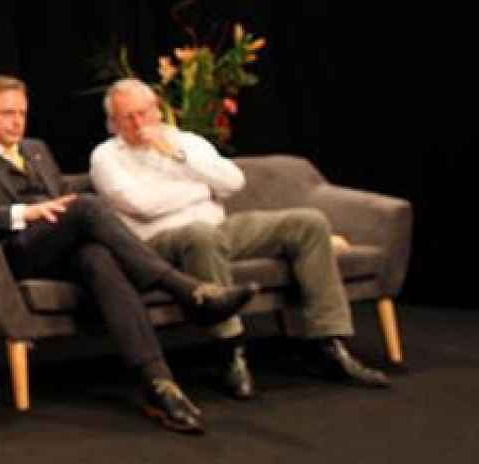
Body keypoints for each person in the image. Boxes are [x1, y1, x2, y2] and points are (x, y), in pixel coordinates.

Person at [0, 75, 256, 434]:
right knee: (87, 207)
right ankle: (187, 290)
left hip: (63, 244)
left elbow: (59, 196)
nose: (17, 122)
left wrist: (59, 215)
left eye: (22, 113)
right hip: (19, 250)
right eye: (6, 114)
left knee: (97, 258)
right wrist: (20, 214)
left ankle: (159, 384)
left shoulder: (36, 148)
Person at [90, 78, 391, 398]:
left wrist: (178, 156)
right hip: (158, 244)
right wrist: (201, 190)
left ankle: (327, 344)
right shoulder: (106, 157)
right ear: (113, 123)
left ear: (157, 111)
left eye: (143, 113)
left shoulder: (187, 143)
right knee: (201, 234)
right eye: (128, 118)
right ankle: (230, 351)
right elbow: (142, 206)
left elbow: (233, 182)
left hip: (221, 229)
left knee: (308, 223)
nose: (139, 123)